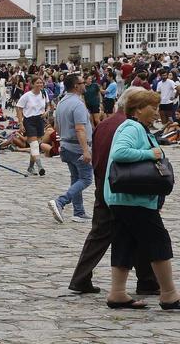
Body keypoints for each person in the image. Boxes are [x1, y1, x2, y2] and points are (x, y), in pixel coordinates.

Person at [69, 89, 159, 295]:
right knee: (141, 232)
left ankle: (82, 278)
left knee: (106, 234)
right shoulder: (130, 127)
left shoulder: (105, 123)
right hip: (124, 187)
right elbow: (120, 155)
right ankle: (147, 281)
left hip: (104, 183)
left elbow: (98, 154)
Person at [103, 90, 180, 310]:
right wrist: (150, 154)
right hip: (134, 199)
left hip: (123, 198)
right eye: (152, 108)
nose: (156, 112)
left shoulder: (135, 127)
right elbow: (120, 153)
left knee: (125, 243)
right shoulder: (133, 127)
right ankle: (169, 294)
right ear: (137, 109)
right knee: (159, 242)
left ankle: (117, 293)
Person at [47, 74, 94, 224]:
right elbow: (80, 129)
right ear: (76, 86)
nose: (85, 84)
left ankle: (78, 212)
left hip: (66, 145)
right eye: (82, 82)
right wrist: (85, 150)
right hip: (77, 147)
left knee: (76, 179)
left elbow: (56, 126)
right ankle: (61, 201)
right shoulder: (77, 104)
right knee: (86, 179)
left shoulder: (61, 102)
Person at [16, 77, 49, 176]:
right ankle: (40, 166)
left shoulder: (44, 93)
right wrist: (20, 123)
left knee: (36, 146)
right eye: (37, 83)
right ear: (33, 84)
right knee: (34, 145)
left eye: (41, 83)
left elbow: (49, 105)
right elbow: (19, 108)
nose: (40, 84)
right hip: (29, 120)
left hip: (40, 120)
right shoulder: (27, 96)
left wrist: (46, 112)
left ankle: (30, 167)